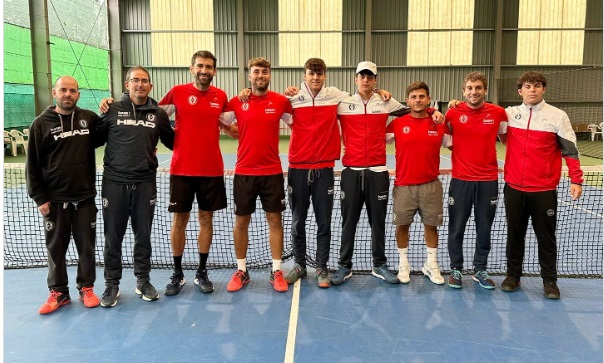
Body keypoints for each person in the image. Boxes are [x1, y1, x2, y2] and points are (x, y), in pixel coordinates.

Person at [239, 59, 392, 288]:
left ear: (325, 76)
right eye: (311, 73)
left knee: (324, 222)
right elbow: (265, 102)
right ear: (305, 75)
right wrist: (247, 92)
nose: (315, 78)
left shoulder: (336, 96)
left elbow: (363, 94)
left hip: (324, 169)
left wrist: (380, 91)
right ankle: (299, 265)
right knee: (297, 221)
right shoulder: (291, 99)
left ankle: (321, 267)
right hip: (298, 169)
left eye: (320, 74)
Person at [331, 61, 441, 285]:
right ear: (355, 79)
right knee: (348, 222)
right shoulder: (342, 103)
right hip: (351, 171)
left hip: (378, 171)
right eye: (361, 76)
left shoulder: (385, 102)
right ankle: (344, 265)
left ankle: (379, 264)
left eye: (369, 77)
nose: (365, 80)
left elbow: (413, 109)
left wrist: (433, 111)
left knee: (378, 222)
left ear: (375, 80)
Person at [96, 66, 175, 307]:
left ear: (150, 86)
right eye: (135, 80)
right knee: (113, 237)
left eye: (144, 81)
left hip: (144, 183)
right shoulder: (112, 109)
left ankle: (143, 281)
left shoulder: (158, 114)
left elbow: (173, 142)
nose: (140, 84)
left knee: (143, 236)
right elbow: (95, 138)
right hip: (114, 183)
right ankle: (112, 284)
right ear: (127, 84)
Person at [158, 51, 235, 296]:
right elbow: (154, 116)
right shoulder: (177, 92)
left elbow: (231, 127)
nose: (204, 70)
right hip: (181, 169)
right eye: (200, 66)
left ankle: (201, 271)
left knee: (206, 220)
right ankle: (177, 273)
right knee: (179, 221)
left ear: (215, 71)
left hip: (211, 169)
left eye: (209, 67)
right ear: (192, 68)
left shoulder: (220, 96)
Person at [502, 71, 583, 299]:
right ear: (520, 91)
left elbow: (570, 149)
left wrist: (576, 179)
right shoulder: (509, 114)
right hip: (514, 188)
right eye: (528, 86)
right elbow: (481, 114)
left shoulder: (557, 116)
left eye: (537, 86)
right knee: (514, 236)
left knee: (546, 238)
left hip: (544, 191)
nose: (532, 90)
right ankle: (512, 276)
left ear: (543, 89)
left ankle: (549, 281)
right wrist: (456, 105)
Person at [26, 76, 101, 314]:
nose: (68, 94)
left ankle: (86, 288)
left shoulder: (88, 119)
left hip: (84, 198)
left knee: (86, 247)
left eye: (73, 91)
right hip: (55, 201)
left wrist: (111, 104)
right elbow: (33, 165)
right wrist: (40, 197)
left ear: (78, 94)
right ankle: (59, 293)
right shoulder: (40, 124)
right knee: (56, 249)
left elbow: (112, 131)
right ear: (54, 93)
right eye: (63, 90)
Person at [220, 57, 293, 293]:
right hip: (244, 172)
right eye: (255, 72)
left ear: (269, 76)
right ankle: (242, 270)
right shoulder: (237, 101)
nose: (260, 75)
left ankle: (276, 270)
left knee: (275, 221)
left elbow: (298, 125)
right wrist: (235, 132)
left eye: (264, 71)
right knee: (241, 222)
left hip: (272, 172)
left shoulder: (281, 102)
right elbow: (223, 123)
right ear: (249, 76)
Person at [445, 72, 507, 290]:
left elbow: (507, 138)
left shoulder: (498, 113)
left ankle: (480, 269)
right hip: (460, 181)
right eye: (470, 88)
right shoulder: (452, 113)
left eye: (478, 88)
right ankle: (456, 269)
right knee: (456, 228)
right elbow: (445, 139)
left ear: (485, 90)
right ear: (464, 91)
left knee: (484, 228)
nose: (474, 92)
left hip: (488, 181)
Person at [386, 81, 449, 285]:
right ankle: (404, 264)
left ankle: (431, 264)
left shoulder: (438, 124)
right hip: (404, 185)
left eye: (422, 96)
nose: (418, 100)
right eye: (414, 97)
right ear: (408, 101)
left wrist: (437, 114)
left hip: (431, 185)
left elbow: (454, 144)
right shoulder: (396, 124)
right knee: (402, 226)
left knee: (431, 226)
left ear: (428, 99)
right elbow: (376, 136)